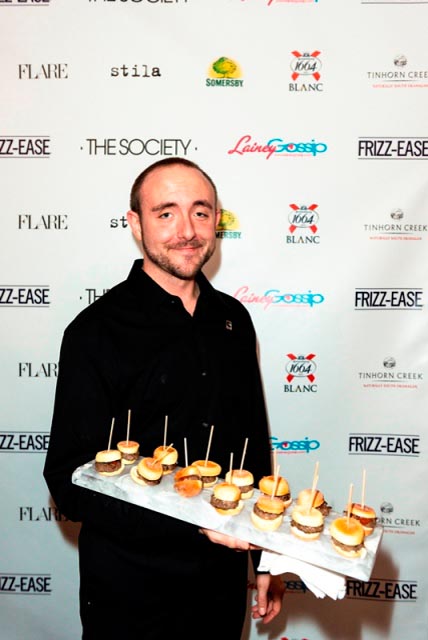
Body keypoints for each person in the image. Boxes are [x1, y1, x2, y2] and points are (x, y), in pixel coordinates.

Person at [43, 157, 285, 639]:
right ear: (136, 224)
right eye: (166, 213)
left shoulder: (234, 320)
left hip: (219, 589)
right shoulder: (95, 331)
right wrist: (195, 522)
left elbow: (252, 448)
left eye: (200, 212)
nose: (187, 231)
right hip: (130, 593)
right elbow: (68, 480)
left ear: (216, 221)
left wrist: (264, 557)